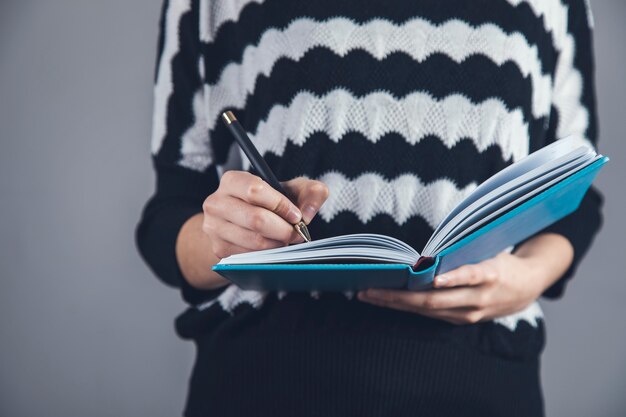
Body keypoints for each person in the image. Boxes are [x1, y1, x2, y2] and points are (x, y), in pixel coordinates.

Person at [136, 1, 603, 416]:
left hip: (485, 381)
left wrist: (528, 277)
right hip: (265, 383)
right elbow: (169, 214)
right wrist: (225, 238)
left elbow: (575, 197)